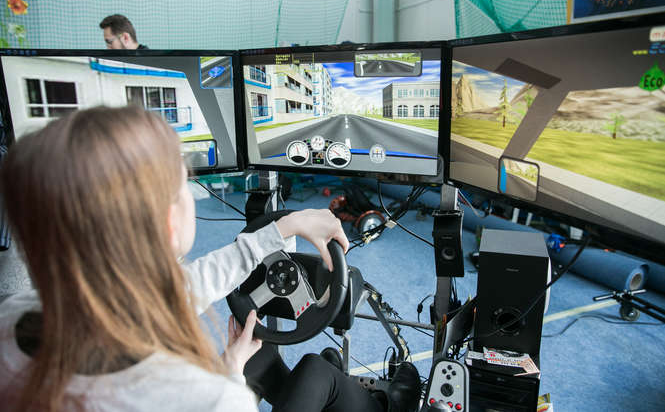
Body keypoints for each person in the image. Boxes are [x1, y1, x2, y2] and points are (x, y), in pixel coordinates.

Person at [0, 106, 421, 412]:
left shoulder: (12, 317)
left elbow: (173, 290)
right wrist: (228, 379)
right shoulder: (210, 399)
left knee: (284, 363)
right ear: (170, 224)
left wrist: (286, 227)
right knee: (316, 369)